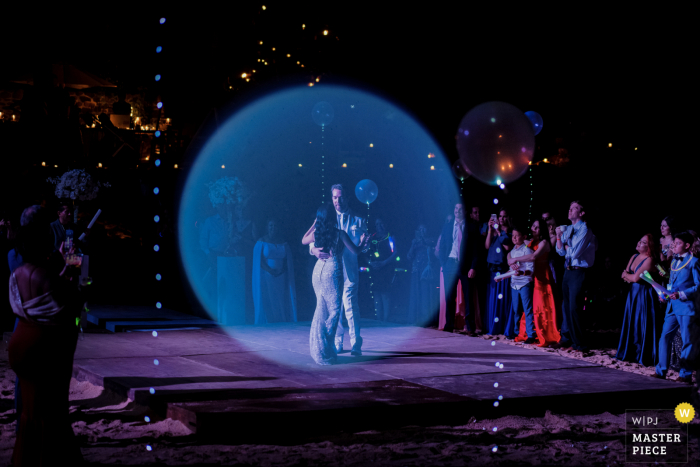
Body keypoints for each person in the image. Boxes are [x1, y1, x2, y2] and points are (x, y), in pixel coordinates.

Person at [8, 205, 83, 464]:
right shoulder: (44, 275)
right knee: (50, 408)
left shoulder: (18, 271)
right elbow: (68, 302)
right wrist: (72, 267)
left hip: (20, 342)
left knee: (30, 407)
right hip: (43, 346)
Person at [302, 205, 367, 365]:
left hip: (318, 271)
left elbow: (303, 239)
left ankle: (321, 346)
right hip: (332, 271)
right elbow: (356, 251)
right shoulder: (340, 234)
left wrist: (314, 223)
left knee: (321, 307)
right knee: (333, 311)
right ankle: (325, 348)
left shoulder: (318, 233)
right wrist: (364, 242)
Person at [653, 232, 700, 383]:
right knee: (664, 337)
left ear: (686, 245)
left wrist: (682, 294)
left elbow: (699, 286)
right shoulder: (674, 261)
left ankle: (685, 374)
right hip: (672, 306)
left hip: (686, 306)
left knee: (687, 340)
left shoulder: (694, 262)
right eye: (674, 243)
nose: (674, 245)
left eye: (678, 243)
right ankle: (661, 370)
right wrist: (665, 294)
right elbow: (672, 282)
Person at [508, 220, 562, 347]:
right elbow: (514, 248)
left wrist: (515, 259)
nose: (534, 229)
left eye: (537, 228)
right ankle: (534, 332)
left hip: (543, 276)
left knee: (544, 307)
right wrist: (510, 259)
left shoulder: (544, 242)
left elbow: (533, 257)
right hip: (531, 276)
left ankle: (546, 333)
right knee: (534, 308)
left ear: (542, 230)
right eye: (533, 226)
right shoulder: (530, 241)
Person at [554, 200, 597, 353]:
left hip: (579, 271)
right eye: (569, 207)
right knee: (566, 307)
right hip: (568, 270)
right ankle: (570, 340)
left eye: (574, 208)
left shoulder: (585, 229)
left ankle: (581, 343)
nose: (570, 210)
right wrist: (559, 237)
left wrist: (565, 245)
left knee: (574, 308)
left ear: (582, 212)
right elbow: (560, 252)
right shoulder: (569, 228)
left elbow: (574, 253)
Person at [615, 234, 661, 366]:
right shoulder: (634, 256)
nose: (639, 243)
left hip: (644, 294)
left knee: (641, 322)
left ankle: (642, 353)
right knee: (631, 321)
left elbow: (635, 278)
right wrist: (629, 276)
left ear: (649, 247)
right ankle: (630, 352)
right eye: (639, 240)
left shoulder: (650, 260)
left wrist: (628, 276)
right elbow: (624, 275)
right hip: (632, 294)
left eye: (643, 242)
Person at [438, 203, 480, 334]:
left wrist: (473, 267)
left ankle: (470, 327)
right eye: (456, 209)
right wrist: (443, 263)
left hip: (465, 265)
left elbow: (475, 250)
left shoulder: (472, 227)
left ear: (465, 211)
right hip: (450, 263)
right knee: (450, 297)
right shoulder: (447, 226)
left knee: (468, 297)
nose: (457, 211)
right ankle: (449, 325)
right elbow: (442, 246)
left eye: (460, 209)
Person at [253, 219, 297, 324]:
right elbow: (258, 260)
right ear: (267, 227)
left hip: (281, 276)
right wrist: (269, 270)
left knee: (280, 298)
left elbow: (287, 260)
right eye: (270, 225)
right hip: (266, 275)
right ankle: (269, 320)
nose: (273, 228)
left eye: (275, 226)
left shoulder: (283, 242)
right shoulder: (261, 241)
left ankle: (281, 319)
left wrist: (282, 271)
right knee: (268, 297)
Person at [498, 226, 536, 343]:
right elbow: (511, 270)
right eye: (513, 235)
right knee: (516, 310)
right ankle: (517, 332)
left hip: (524, 283)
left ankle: (530, 334)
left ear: (524, 237)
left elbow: (531, 271)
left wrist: (522, 272)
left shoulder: (527, 250)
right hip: (514, 284)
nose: (514, 238)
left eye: (517, 235)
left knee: (527, 309)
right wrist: (501, 276)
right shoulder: (512, 252)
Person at [485, 209, 513, 335]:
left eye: (504, 216)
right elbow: (486, 246)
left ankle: (502, 328)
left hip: (503, 270)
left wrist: (499, 231)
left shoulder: (510, 233)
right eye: (499, 216)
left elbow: (508, 248)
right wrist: (490, 229)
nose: (501, 218)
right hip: (492, 270)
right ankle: (492, 327)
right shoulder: (494, 232)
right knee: (493, 300)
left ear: (508, 218)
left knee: (502, 300)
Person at [407, 224, 438, 325]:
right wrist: (412, 245)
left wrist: (422, 239)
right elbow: (409, 256)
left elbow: (433, 250)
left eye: (423, 229)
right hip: (416, 270)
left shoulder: (430, 240)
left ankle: (426, 319)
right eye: (419, 229)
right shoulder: (415, 242)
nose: (421, 231)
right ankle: (415, 319)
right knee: (415, 294)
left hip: (425, 272)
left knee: (425, 295)